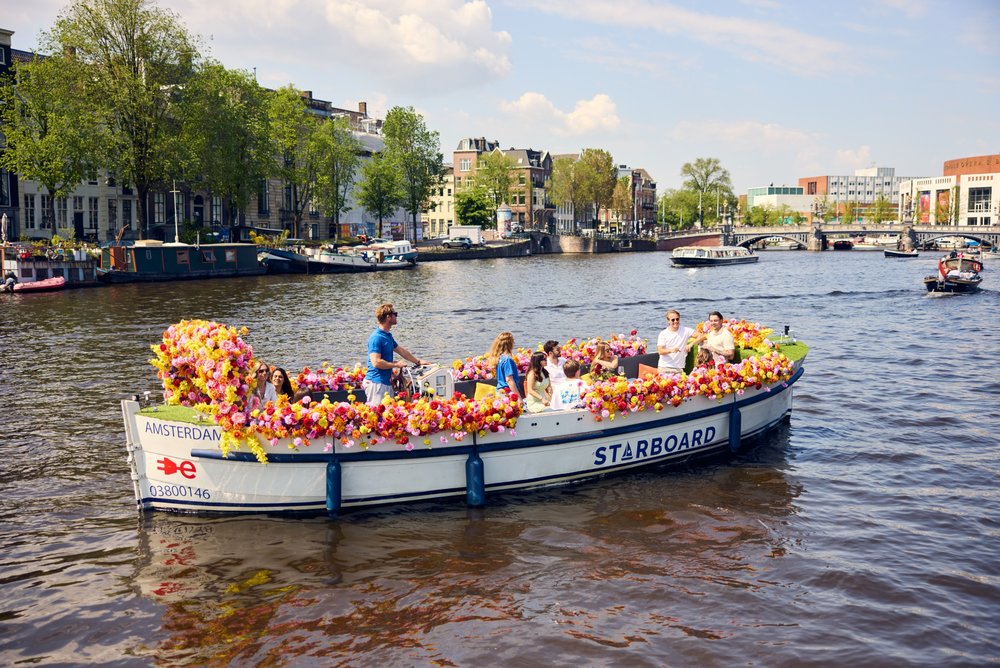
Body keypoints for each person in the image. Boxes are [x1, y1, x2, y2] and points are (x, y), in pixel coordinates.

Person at [364, 303, 430, 406]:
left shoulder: (387, 336)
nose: (396, 316)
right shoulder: (376, 337)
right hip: (376, 383)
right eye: (395, 314)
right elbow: (376, 362)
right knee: (377, 415)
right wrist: (396, 364)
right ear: (388, 317)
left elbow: (400, 350)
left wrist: (418, 361)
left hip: (384, 382)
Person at [656, 310, 695, 375]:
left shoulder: (686, 330)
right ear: (668, 321)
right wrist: (672, 350)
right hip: (665, 368)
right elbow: (660, 351)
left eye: (677, 319)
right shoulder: (663, 333)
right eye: (673, 320)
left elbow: (702, 336)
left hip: (678, 369)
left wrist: (691, 344)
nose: (675, 321)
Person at [488, 331, 521, 399]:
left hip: (500, 392)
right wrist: (518, 397)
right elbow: (509, 380)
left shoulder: (499, 359)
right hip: (507, 393)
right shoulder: (507, 360)